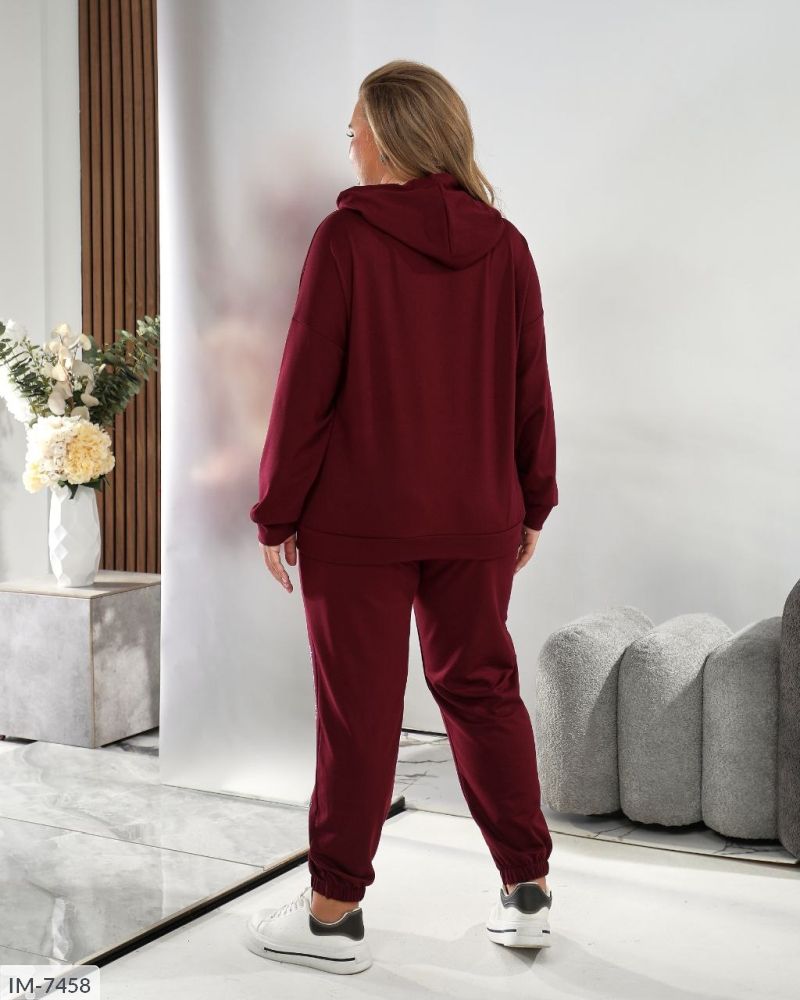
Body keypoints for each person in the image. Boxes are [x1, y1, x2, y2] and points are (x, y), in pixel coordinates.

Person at [245, 59, 557, 975]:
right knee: (483, 691)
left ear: (388, 137)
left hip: (359, 524)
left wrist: (276, 511)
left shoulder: (346, 239)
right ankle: (528, 894)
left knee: (360, 713)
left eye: (356, 128)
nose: (349, 143)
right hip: (477, 516)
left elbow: (306, 385)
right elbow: (530, 387)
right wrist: (533, 497)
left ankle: (331, 917)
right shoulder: (506, 246)